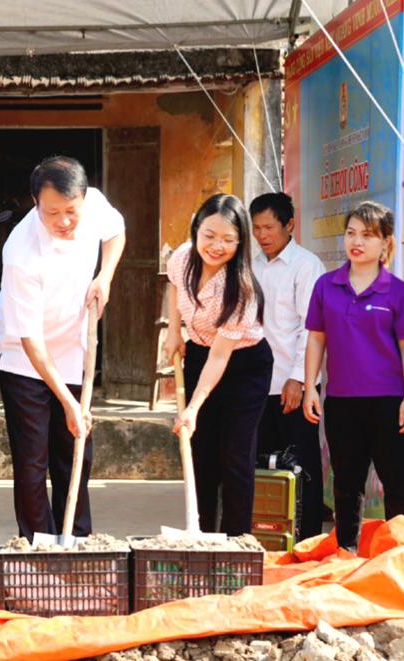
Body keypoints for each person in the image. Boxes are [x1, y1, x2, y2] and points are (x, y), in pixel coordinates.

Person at [0, 156, 126, 541]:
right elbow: (30, 341)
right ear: (36, 204)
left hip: (72, 347)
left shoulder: (94, 203)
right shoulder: (21, 252)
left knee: (76, 452)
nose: (65, 221)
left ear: (84, 199)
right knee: (33, 461)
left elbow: (115, 233)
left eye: (72, 211)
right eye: (53, 213)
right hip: (24, 360)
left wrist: (105, 276)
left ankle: (78, 540)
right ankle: (38, 546)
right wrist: (69, 404)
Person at [303, 202, 404, 551]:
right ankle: (346, 551)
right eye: (351, 233)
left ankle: (401, 554)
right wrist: (311, 388)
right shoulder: (326, 286)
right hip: (341, 401)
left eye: (367, 235)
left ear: (385, 243)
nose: (357, 241)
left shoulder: (397, 291)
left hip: (389, 402)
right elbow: (316, 339)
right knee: (346, 483)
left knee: (397, 482)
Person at [164, 193, 272, 536]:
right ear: (196, 229)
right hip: (199, 352)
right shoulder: (182, 258)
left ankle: (234, 541)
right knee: (201, 455)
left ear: (240, 242)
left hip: (244, 366)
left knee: (235, 457)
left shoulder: (240, 289)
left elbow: (222, 356)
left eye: (228, 239)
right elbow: (173, 287)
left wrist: (193, 407)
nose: (216, 246)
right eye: (209, 235)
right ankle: (203, 536)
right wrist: (172, 331)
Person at [250, 192, 326, 539]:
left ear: (289, 225)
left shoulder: (306, 266)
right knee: (259, 462)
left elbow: (310, 328)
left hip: (294, 383)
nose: (262, 235)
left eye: (268, 227)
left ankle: (307, 537)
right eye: (256, 228)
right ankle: (266, 534)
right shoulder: (249, 265)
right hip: (254, 384)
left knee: (301, 463)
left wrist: (299, 379)